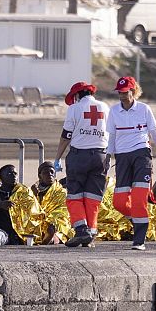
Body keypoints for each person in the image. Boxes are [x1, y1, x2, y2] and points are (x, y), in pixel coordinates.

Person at [106, 76, 156, 251]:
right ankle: (139, 220)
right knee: (119, 202)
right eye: (119, 92)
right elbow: (112, 136)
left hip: (141, 154)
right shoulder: (113, 111)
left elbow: (155, 134)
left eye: (125, 92)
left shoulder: (144, 109)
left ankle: (139, 240)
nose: (122, 95)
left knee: (138, 197)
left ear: (133, 91)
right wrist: (107, 156)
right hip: (122, 157)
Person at [54, 81, 110, 247]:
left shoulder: (74, 108)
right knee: (93, 197)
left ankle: (81, 231)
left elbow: (66, 135)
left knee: (75, 195)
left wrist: (57, 157)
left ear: (77, 95)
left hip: (80, 156)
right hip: (101, 156)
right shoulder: (105, 107)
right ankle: (90, 235)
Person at [0, 164, 43, 245]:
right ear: (1, 177)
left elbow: (33, 210)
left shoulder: (24, 192)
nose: (13, 176)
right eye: (9, 174)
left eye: (15, 173)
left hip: (19, 230)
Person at [31, 161, 71, 244]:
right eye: (45, 172)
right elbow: (31, 209)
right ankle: (47, 237)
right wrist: (34, 195)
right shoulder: (34, 190)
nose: (49, 174)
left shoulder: (61, 191)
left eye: (52, 172)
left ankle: (51, 238)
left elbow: (62, 210)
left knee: (58, 227)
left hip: (56, 220)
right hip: (40, 219)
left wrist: (50, 219)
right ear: (40, 176)